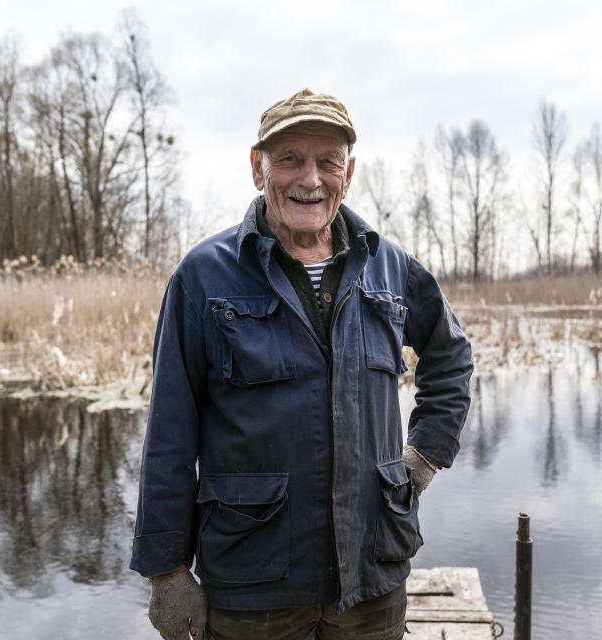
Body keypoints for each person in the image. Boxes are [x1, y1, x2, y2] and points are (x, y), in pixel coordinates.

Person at [131, 88, 473, 640]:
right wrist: (166, 570)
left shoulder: (390, 267)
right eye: (289, 159)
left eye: (327, 161)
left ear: (349, 172)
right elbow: (170, 431)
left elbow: (451, 354)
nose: (309, 178)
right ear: (257, 167)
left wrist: (426, 452)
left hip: (372, 571)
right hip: (253, 582)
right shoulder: (202, 277)